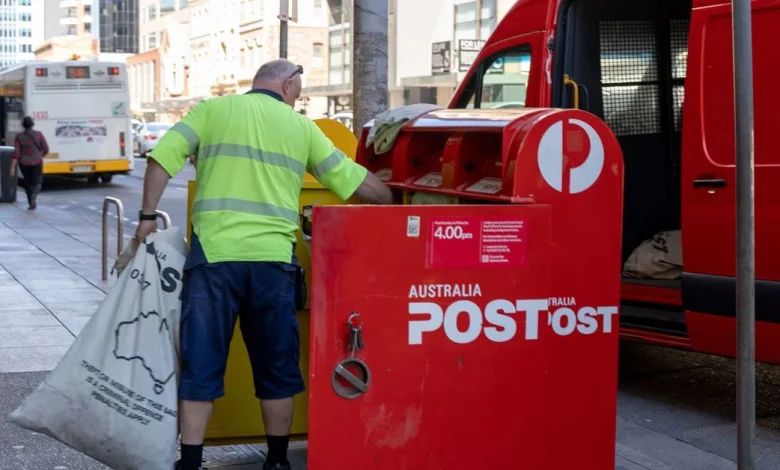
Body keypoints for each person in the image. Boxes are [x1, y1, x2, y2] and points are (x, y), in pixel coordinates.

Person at [134, 59, 392, 470]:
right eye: (298, 91)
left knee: (201, 364)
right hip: (272, 263)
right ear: (287, 84)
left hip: (214, 260)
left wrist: (148, 217)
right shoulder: (301, 127)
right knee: (276, 367)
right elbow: (349, 178)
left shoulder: (211, 110)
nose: (297, 100)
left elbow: (161, 159)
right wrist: (394, 200)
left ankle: (191, 462)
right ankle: (277, 461)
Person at [10, 116, 49, 210]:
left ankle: (31, 203)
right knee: (37, 182)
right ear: (32, 124)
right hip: (37, 161)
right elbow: (46, 149)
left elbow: (17, 153)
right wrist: (41, 155)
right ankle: (34, 195)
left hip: (24, 163)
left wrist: (12, 167)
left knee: (27, 183)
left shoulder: (19, 136)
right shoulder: (39, 135)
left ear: (23, 125)